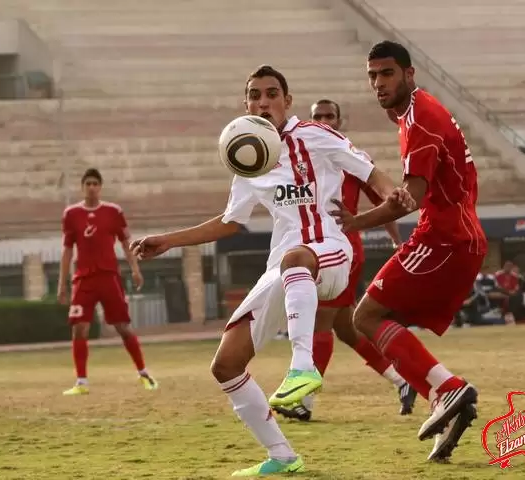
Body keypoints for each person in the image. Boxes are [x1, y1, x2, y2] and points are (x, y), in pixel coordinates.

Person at [130, 65, 413, 477]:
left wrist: (395, 194)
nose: (262, 102)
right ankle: (282, 455)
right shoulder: (248, 154)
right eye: (254, 95)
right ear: (245, 103)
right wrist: (169, 240)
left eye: (271, 93)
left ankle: (302, 368)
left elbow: (372, 174)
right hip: (285, 267)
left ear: (287, 100)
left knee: (296, 258)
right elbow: (230, 222)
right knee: (226, 364)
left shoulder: (317, 135)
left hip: (330, 251)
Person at [330, 41, 486, 462]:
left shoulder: (420, 120)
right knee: (382, 320)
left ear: (409, 74)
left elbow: (411, 198)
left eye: (387, 74)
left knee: (365, 316)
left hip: (443, 239)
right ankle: (443, 399)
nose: (378, 83)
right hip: (457, 237)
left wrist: (354, 222)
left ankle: (446, 389)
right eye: (372, 75)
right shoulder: (418, 111)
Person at [273, 99, 416, 423]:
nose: (324, 120)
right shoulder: (299, 156)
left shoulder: (347, 156)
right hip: (311, 246)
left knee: (321, 322)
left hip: (340, 250)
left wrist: (395, 240)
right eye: (318, 116)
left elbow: (384, 198)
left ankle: (303, 401)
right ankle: (403, 379)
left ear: (339, 120)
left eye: (330, 116)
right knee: (346, 329)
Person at [57, 168, 158, 395]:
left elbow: (125, 242)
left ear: (100, 187)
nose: (92, 187)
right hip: (83, 279)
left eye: (95, 183)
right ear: (82, 187)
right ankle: (81, 382)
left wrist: (135, 269)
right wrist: (61, 285)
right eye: (88, 183)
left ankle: (143, 373)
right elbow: (66, 251)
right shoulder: (71, 214)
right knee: (79, 329)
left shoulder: (113, 211)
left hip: (108, 277)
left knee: (123, 327)